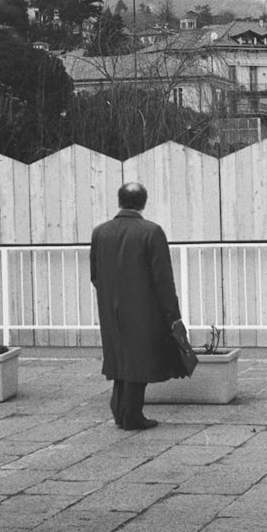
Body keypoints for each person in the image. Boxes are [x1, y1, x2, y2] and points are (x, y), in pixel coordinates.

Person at [90, 182, 188, 431]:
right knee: (140, 359)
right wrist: (173, 316)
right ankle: (132, 415)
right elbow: (163, 279)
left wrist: (112, 295)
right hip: (144, 309)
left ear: (119, 200)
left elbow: (95, 275)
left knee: (120, 356)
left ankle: (121, 411)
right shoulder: (151, 231)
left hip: (110, 308)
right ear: (143, 203)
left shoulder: (100, 232)